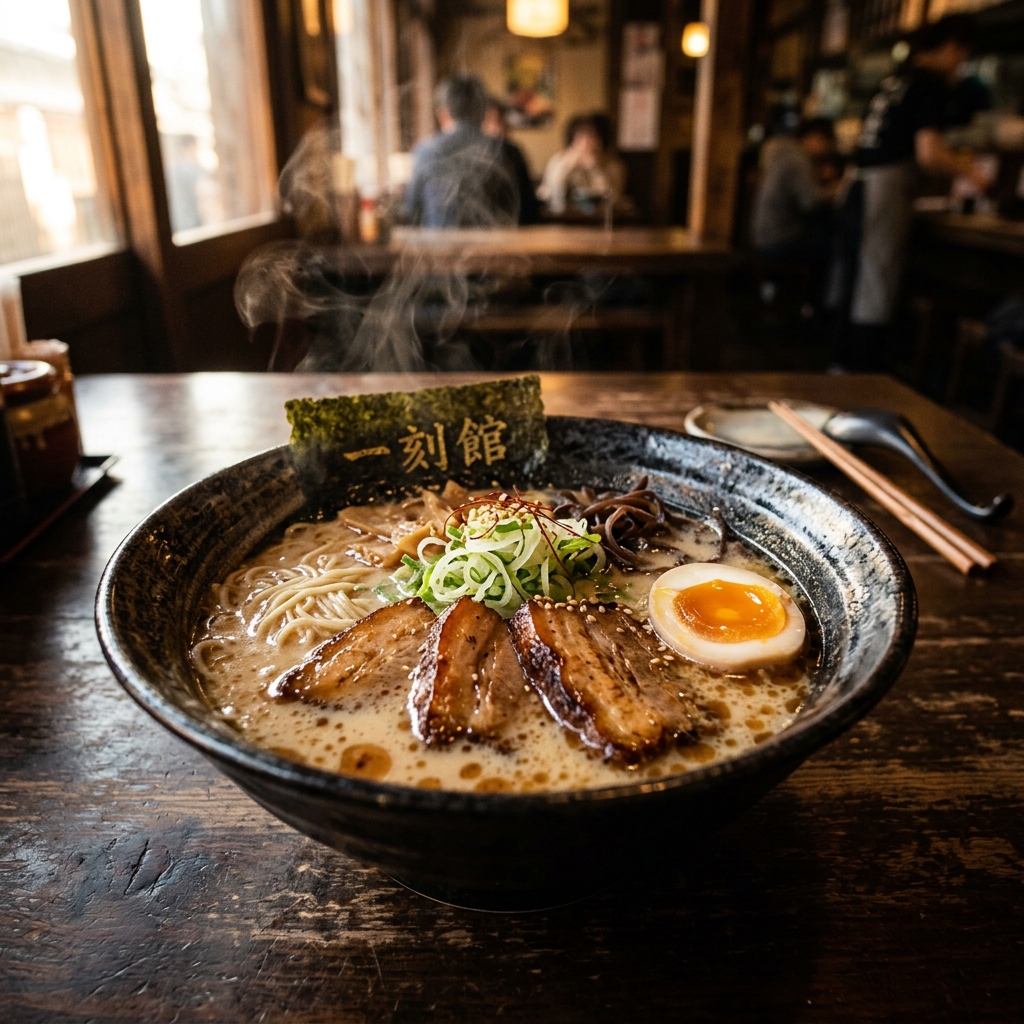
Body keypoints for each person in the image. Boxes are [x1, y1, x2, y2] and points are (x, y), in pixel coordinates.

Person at [835, 14, 991, 370]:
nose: (960, 65)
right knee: (875, 286)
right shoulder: (928, 82)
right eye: (963, 56)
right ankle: (859, 373)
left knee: (853, 281)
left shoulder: (895, 78)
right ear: (951, 46)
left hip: (857, 185)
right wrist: (972, 172)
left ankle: (839, 364)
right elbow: (929, 153)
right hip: (884, 190)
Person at [403, 75, 518, 228]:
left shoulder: (425, 151)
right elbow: (526, 213)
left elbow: (412, 212)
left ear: (443, 114)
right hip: (494, 242)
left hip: (436, 243)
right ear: (483, 111)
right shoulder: (507, 150)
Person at [751, 118, 836, 264]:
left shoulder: (785, 153)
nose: (828, 149)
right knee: (833, 244)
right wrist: (836, 191)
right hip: (778, 239)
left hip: (763, 237)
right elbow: (811, 202)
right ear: (814, 137)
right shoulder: (798, 159)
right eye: (827, 142)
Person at [537, 113, 625, 217]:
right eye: (580, 137)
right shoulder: (558, 160)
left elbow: (613, 198)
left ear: (602, 140)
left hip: (600, 218)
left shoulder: (613, 165)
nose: (585, 143)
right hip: (562, 217)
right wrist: (567, 167)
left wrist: (595, 169)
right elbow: (548, 194)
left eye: (591, 137)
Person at [481, 97, 538, 225]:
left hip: (515, 229)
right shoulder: (467, 156)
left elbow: (528, 201)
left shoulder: (513, 152)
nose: (496, 129)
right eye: (488, 122)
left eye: (499, 121)